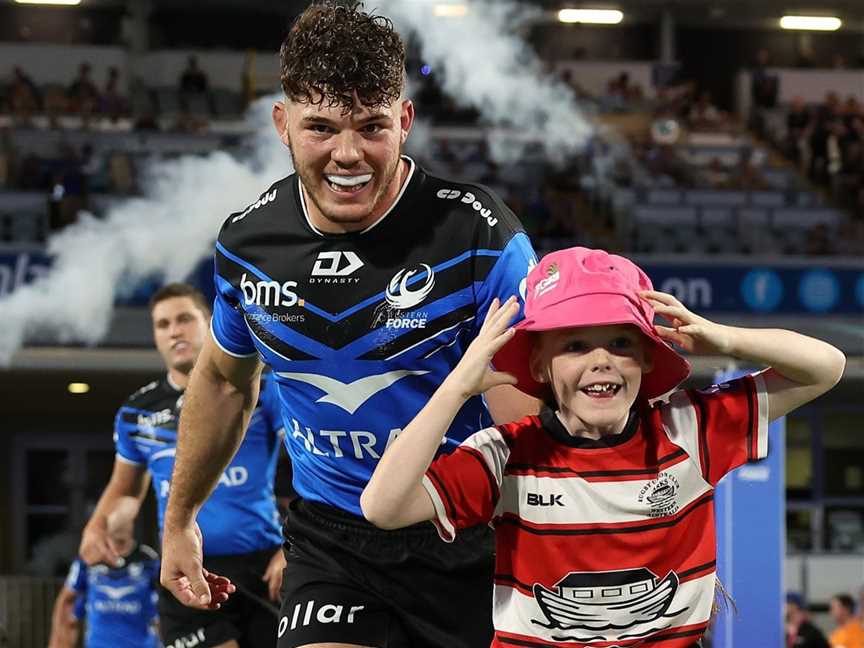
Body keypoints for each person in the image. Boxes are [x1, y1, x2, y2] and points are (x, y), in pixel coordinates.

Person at [159, 3, 538, 647]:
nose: (348, 154)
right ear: (282, 123)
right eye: (321, 127)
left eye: (371, 126)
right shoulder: (248, 243)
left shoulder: (478, 234)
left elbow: (524, 402)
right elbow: (224, 384)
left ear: (406, 122)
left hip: (468, 533)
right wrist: (179, 519)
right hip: (333, 542)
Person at [361, 246, 846, 647]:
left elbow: (825, 366)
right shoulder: (505, 455)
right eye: (574, 346)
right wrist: (456, 389)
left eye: (621, 343)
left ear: (647, 361)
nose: (601, 361)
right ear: (539, 366)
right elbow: (382, 507)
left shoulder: (689, 430)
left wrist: (725, 338)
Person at [79, 283, 286, 648]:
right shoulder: (137, 412)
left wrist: (293, 548)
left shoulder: (260, 388)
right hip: (184, 568)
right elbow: (126, 490)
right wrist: (97, 526)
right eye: (163, 324)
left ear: (209, 322)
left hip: (263, 567)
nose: (174, 330)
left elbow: (308, 467)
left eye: (185, 319)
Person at [49, 500, 160, 648]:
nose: (119, 518)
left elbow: (166, 609)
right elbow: (67, 607)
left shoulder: (149, 560)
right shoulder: (88, 559)